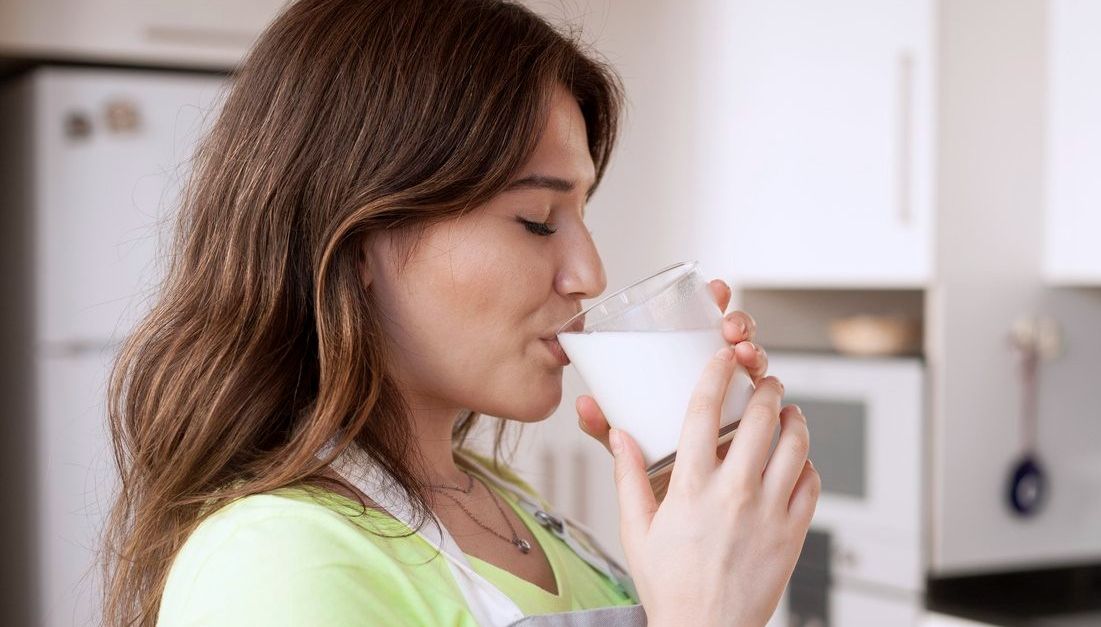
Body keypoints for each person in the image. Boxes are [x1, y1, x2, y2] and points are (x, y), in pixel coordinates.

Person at [102, 1, 820, 625]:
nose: (589, 273)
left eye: (582, 213)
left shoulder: (508, 504)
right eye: (538, 219)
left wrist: (694, 519)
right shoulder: (272, 564)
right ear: (357, 246)